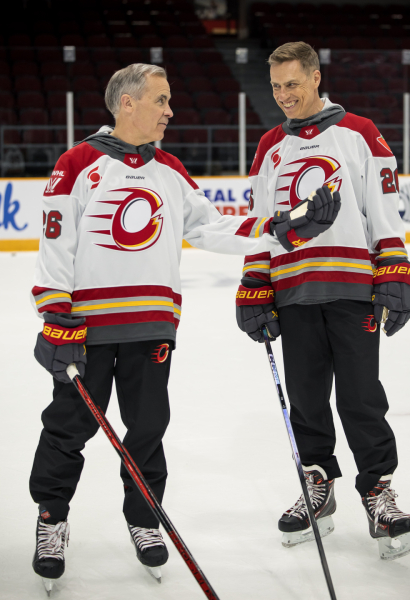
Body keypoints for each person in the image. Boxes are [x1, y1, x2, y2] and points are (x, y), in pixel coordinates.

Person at [30, 63, 342, 592]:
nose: (170, 111)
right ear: (127, 103)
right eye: (161, 100)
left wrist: (283, 228)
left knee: (148, 428)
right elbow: (55, 247)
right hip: (86, 330)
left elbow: (212, 226)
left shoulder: (170, 169)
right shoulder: (78, 163)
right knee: (68, 428)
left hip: (152, 325)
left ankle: (145, 519)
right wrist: (56, 319)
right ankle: (51, 519)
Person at [235, 42, 410, 561]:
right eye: (276, 86)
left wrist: (395, 267)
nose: (283, 95)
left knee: (361, 397)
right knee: (306, 398)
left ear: (316, 77)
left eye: (292, 83)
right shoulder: (269, 145)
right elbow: (259, 224)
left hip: (352, 288)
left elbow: (383, 209)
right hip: (292, 291)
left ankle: (378, 491)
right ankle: (318, 483)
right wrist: (254, 280)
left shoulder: (359, 133)